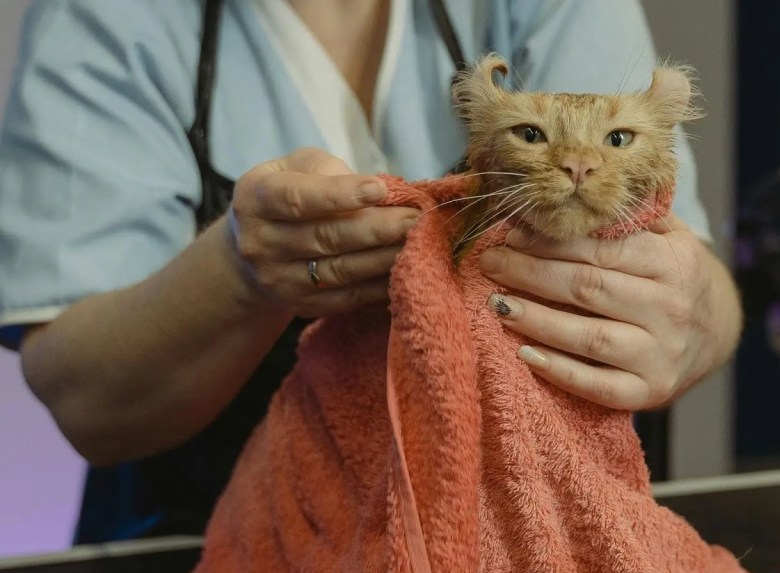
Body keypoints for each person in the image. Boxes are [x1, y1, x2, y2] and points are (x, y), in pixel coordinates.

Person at [0, 0, 742, 544]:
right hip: (199, 541)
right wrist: (239, 273)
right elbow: (87, 400)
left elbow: (686, 263)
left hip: (523, 528)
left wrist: (700, 312)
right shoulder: (106, 17)